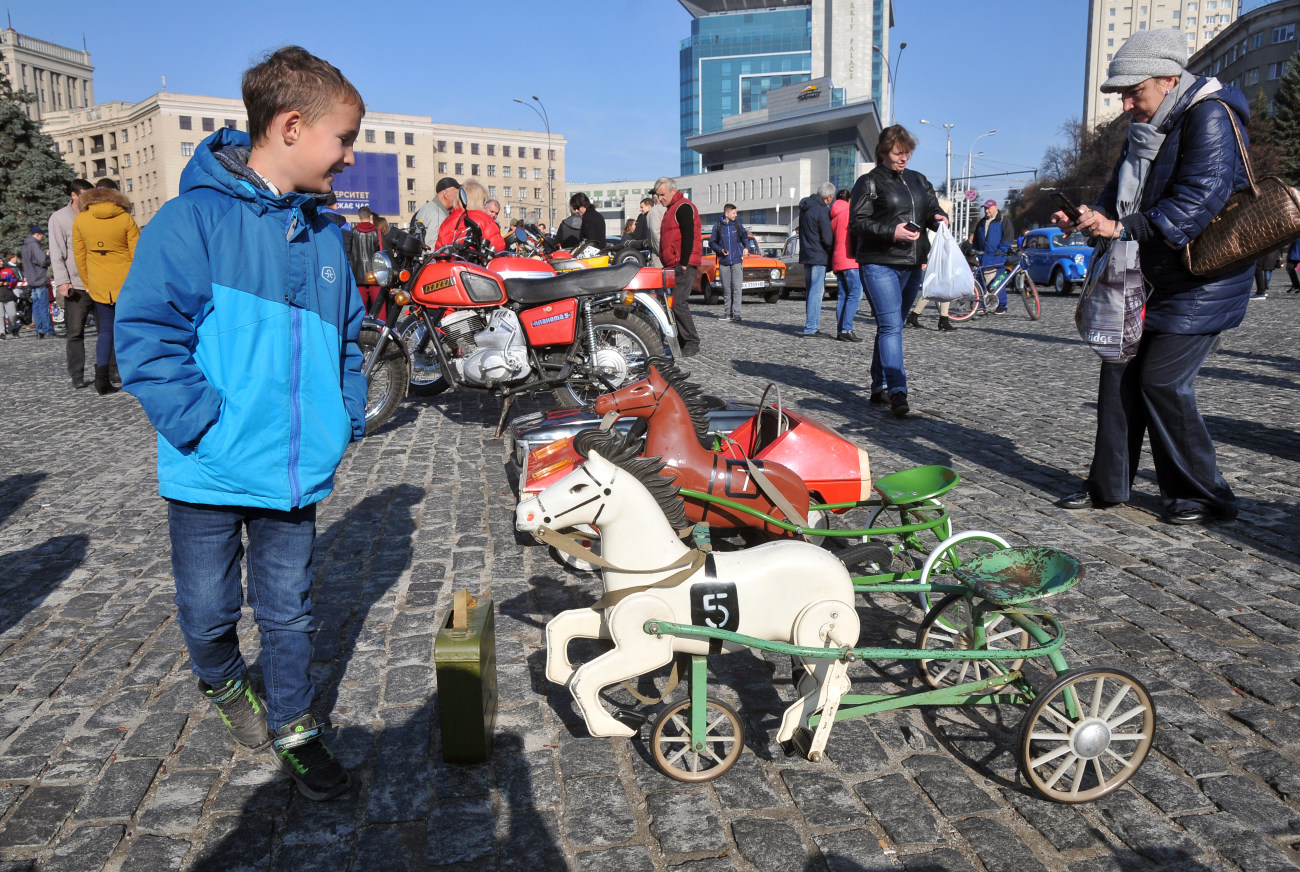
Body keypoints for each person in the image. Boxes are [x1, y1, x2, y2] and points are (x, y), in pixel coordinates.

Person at [114, 45, 365, 800]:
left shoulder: (326, 237)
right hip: (209, 468)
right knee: (208, 608)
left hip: (292, 475)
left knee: (289, 611)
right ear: (291, 127)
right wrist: (201, 424)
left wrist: (343, 415)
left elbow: (351, 337)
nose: (350, 158)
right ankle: (221, 681)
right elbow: (148, 334)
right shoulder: (191, 220)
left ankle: (295, 724)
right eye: (343, 139)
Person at [1055, 28, 1252, 526]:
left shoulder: (1211, 116)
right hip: (1150, 272)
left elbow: (1194, 206)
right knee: (1118, 370)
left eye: (1132, 91)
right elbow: (1115, 192)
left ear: (1167, 79)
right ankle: (1108, 487)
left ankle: (1205, 495)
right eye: (1120, 93)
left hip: (1202, 278)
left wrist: (1120, 226)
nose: (1125, 104)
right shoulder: (1147, 127)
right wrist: (1087, 215)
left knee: (1162, 380)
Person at [849, 124, 947, 419]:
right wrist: (893, 231)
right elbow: (858, 222)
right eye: (897, 152)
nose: (903, 158)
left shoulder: (918, 180)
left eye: (907, 152)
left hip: (912, 263)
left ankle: (878, 385)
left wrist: (937, 218)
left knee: (892, 326)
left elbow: (930, 210)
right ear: (883, 151)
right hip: (879, 262)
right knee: (892, 327)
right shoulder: (868, 182)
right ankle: (898, 391)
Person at [73, 181, 140, 395]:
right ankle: (133, 373)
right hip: (126, 280)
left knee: (105, 331)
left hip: (98, 282)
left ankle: (101, 379)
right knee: (130, 328)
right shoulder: (124, 218)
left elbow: (80, 255)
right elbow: (137, 254)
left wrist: (88, 283)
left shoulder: (81, 219)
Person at [49, 178, 96, 387]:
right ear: (74, 195)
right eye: (84, 196)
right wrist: (62, 281)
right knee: (75, 332)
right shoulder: (59, 219)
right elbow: (57, 253)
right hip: (75, 285)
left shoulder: (95, 214)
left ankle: (109, 372)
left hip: (99, 282)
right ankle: (77, 375)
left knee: (108, 331)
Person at [654, 176, 702, 355]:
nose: (660, 199)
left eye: (662, 194)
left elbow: (689, 235)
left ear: (673, 191)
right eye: (658, 195)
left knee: (679, 302)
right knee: (673, 303)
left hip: (683, 263)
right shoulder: (671, 209)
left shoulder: (682, 207)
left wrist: (683, 263)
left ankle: (691, 342)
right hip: (674, 263)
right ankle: (682, 342)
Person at [906, 196, 958, 332]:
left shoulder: (936, 223)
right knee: (942, 289)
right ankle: (942, 319)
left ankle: (916, 315)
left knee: (935, 289)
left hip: (935, 260)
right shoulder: (940, 224)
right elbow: (934, 242)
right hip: (937, 261)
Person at [798, 182, 836, 336]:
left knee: (810, 291)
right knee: (816, 291)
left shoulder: (805, 209)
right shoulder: (821, 210)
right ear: (828, 198)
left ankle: (810, 323)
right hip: (818, 255)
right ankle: (811, 326)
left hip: (806, 254)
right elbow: (827, 238)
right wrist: (831, 253)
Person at [829, 189, 862, 341]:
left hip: (838, 259)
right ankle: (847, 329)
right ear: (849, 200)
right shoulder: (850, 213)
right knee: (855, 294)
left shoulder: (834, 216)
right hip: (850, 259)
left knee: (842, 296)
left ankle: (840, 329)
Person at [972, 199, 1016, 314]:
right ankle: (982, 304)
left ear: (995, 208)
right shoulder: (981, 222)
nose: (986, 211)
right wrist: (976, 251)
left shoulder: (1003, 220)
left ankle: (1001, 306)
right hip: (983, 257)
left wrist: (1001, 251)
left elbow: (1008, 238)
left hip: (998, 257)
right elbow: (976, 239)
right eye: (985, 208)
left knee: (998, 281)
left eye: (989, 208)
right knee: (981, 281)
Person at [436, 180, 505, 251]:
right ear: (479, 200)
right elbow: (498, 247)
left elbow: (439, 250)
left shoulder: (447, 220)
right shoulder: (483, 219)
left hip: (451, 261)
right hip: (473, 261)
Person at [709, 203, 747, 322]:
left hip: (736, 261)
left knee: (737, 288)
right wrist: (720, 250)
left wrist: (746, 247)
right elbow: (712, 243)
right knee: (727, 289)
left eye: (736, 213)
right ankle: (727, 313)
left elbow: (744, 237)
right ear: (727, 213)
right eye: (734, 213)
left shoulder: (737, 224)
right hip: (724, 262)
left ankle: (737, 314)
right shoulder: (717, 226)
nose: (736, 215)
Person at [20, 226, 52, 338]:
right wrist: (49, 256)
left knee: (36, 306)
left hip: (32, 279)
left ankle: (39, 330)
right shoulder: (34, 244)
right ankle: (47, 330)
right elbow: (42, 260)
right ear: (38, 234)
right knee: (43, 306)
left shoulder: (25, 246)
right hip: (40, 278)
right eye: (42, 235)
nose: (43, 237)